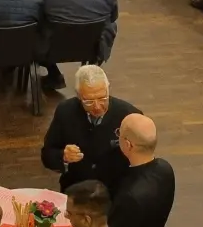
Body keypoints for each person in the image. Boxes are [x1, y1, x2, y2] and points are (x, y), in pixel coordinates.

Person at [40, 65, 138, 194]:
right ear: (79, 96)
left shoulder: (129, 116)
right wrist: (63, 156)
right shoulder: (65, 112)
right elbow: (47, 154)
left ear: (108, 90)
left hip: (115, 192)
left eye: (102, 98)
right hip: (76, 190)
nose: (97, 107)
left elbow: (141, 162)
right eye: (89, 101)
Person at [41, 0, 120, 82]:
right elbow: (113, 17)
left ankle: (54, 74)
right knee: (110, 25)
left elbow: (41, 17)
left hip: (54, 50)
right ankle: (93, 66)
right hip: (92, 47)